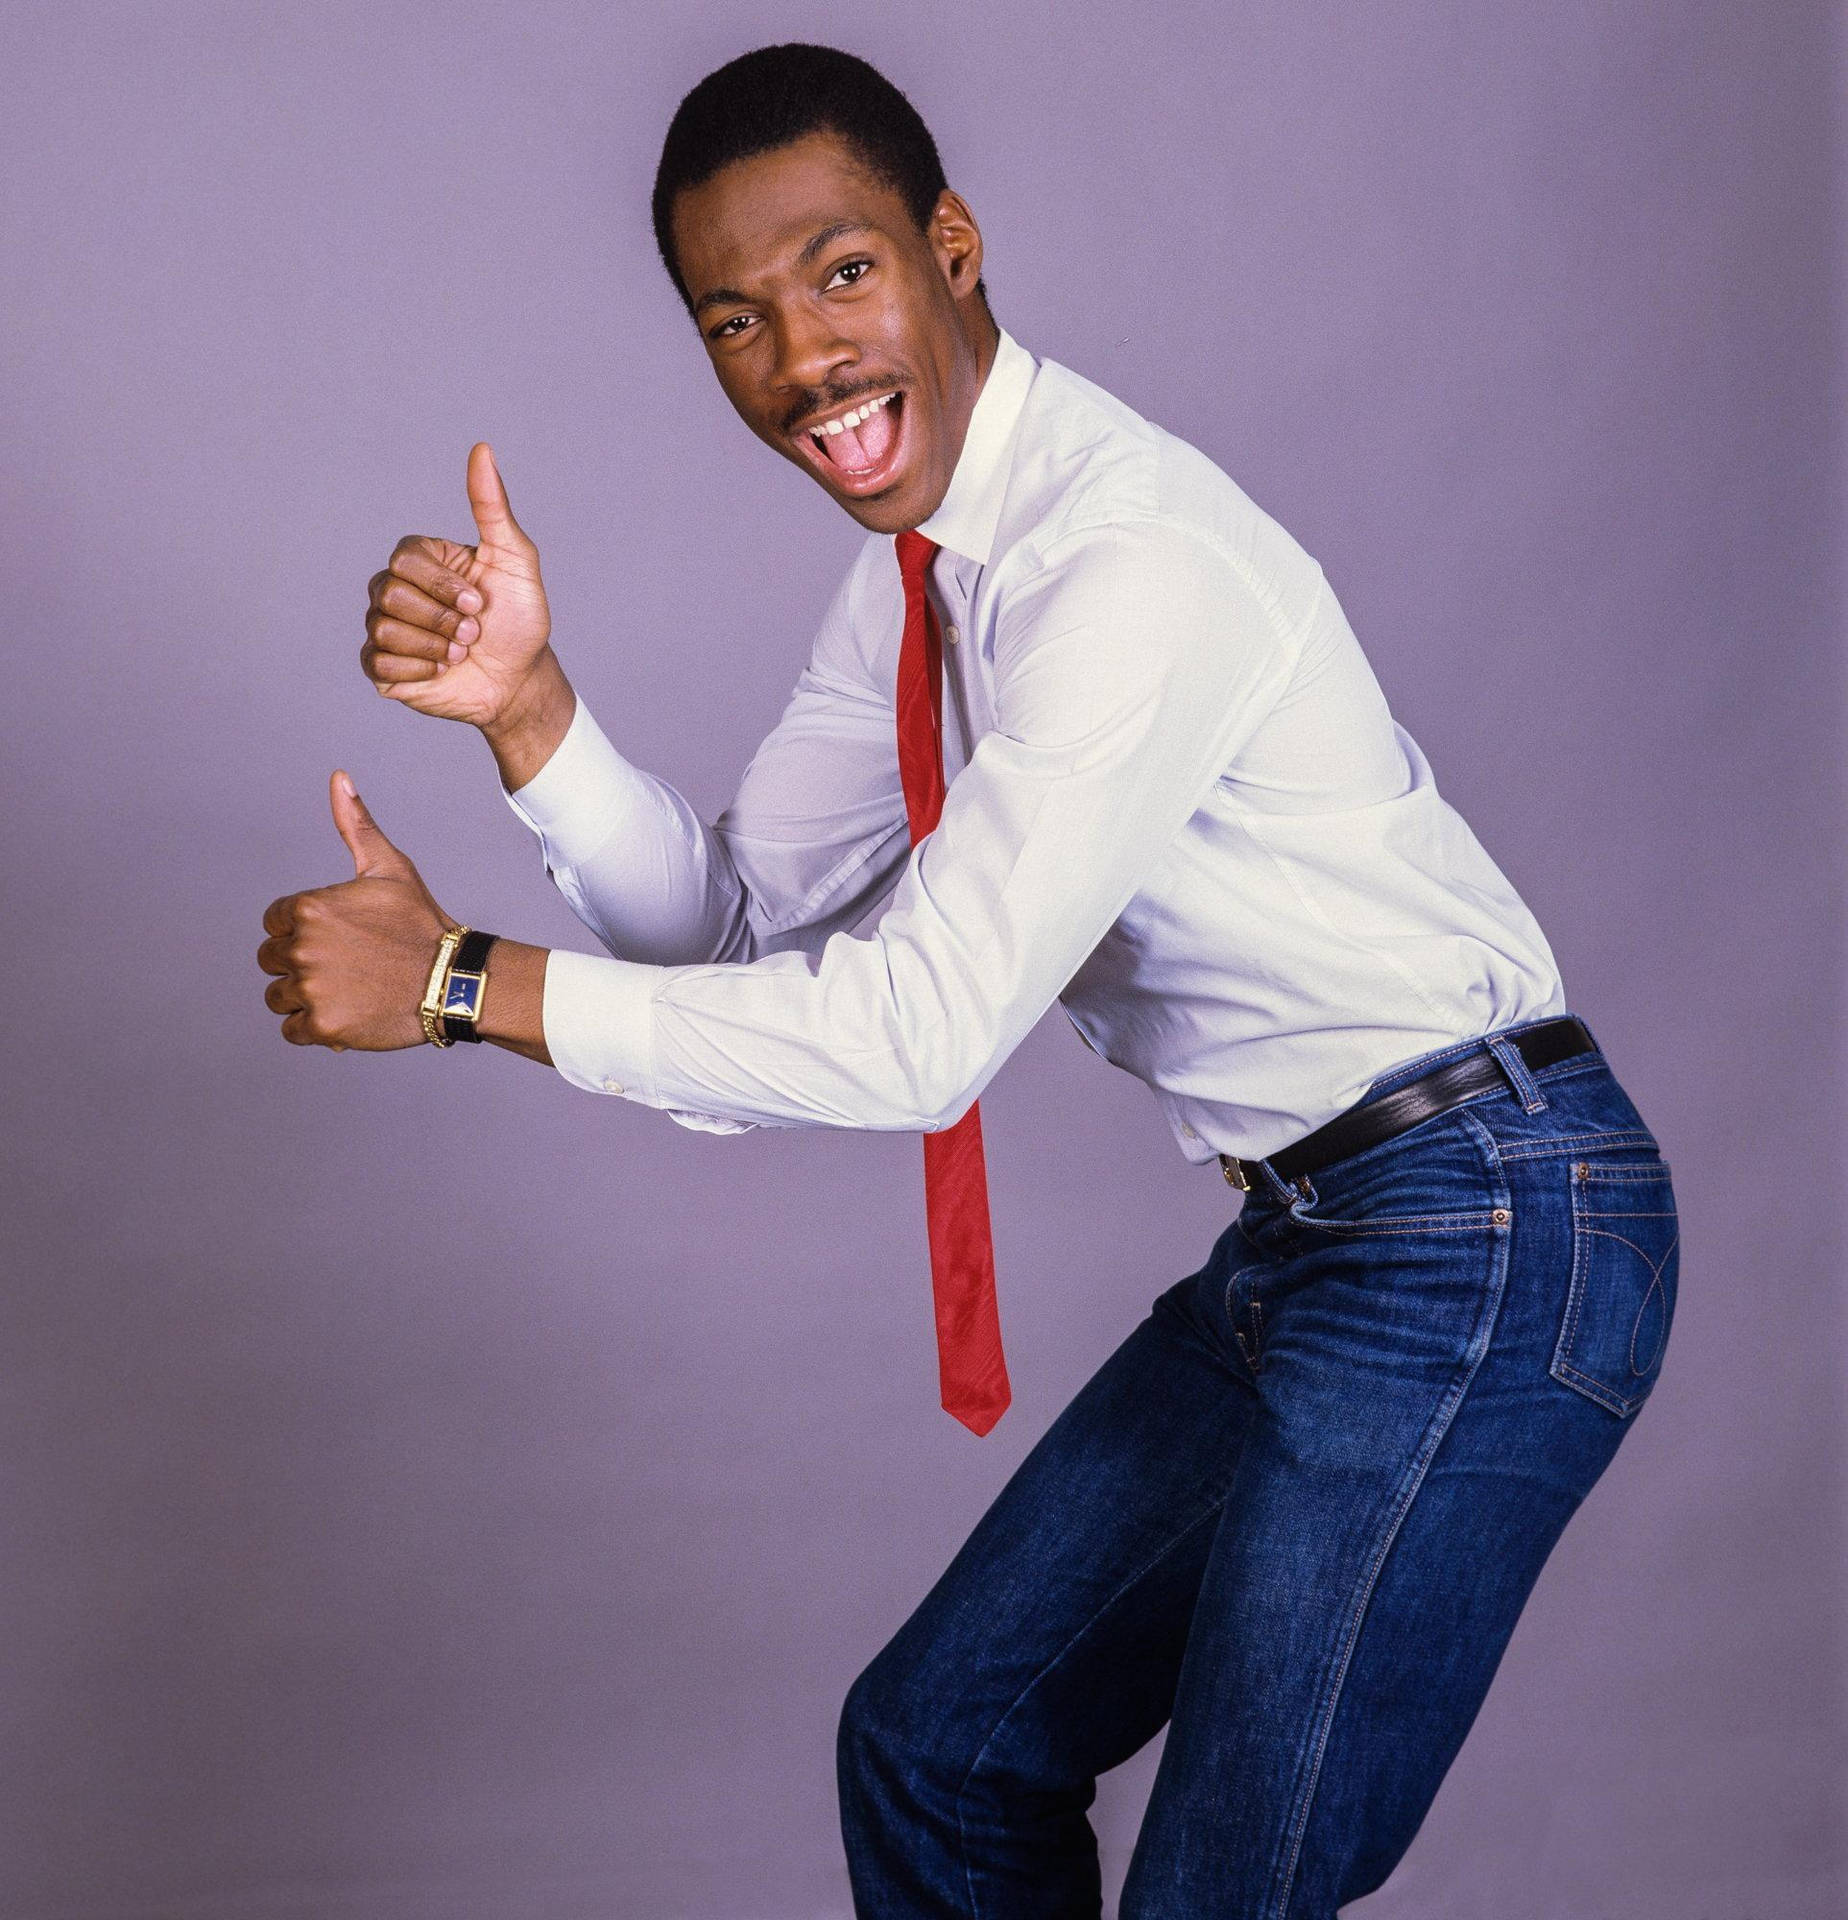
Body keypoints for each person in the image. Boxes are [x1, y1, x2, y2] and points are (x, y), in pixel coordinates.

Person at [257, 41, 1680, 1919]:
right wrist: (529, 713)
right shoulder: (925, 575)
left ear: (951, 245)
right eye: (735, 320)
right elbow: (747, 937)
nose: (801, 365)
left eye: (842, 273)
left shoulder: (1124, 561)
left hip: (1485, 1227)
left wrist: (458, 983)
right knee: (940, 1750)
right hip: (1312, 1236)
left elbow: (915, 1039)